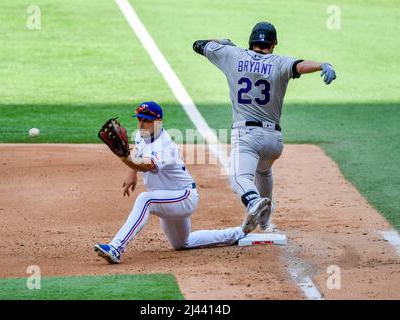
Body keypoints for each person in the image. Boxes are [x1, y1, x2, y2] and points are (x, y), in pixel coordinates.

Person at [192, 21, 336, 233]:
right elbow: (300, 65)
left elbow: (198, 44)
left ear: (251, 41)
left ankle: (252, 203)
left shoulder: (232, 55)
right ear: (274, 43)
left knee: (239, 179)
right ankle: (266, 223)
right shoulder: (280, 62)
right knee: (264, 171)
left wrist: (223, 42)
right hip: (274, 142)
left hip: (247, 136)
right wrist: (323, 65)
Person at [94, 101, 260, 264]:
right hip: (168, 199)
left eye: (146, 120)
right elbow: (137, 152)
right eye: (139, 119)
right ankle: (239, 233)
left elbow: (146, 165)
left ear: (158, 122)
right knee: (182, 243)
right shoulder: (141, 135)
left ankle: (116, 247)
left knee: (146, 199)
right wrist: (132, 172)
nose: (141, 124)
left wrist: (123, 158)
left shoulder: (165, 146)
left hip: (184, 197)